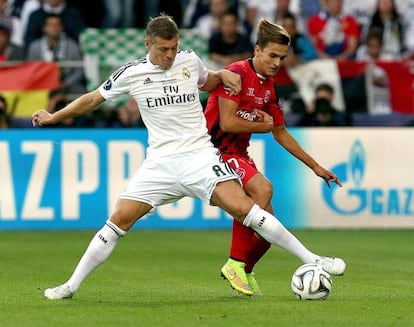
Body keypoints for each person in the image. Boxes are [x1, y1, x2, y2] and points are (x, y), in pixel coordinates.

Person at [32, 14, 346, 300]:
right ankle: (70, 286)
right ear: (148, 45)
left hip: (199, 157)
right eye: (164, 49)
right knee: (118, 221)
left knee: (247, 207)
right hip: (159, 164)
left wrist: (223, 75)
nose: (169, 55)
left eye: (174, 47)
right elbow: (91, 100)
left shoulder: (188, 61)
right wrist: (53, 116)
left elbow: (207, 80)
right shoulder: (132, 73)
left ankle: (312, 259)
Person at [204, 19, 345, 296]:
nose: (278, 62)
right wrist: (263, 126)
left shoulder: (268, 86)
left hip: (238, 154)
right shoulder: (235, 74)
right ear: (257, 50)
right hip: (214, 152)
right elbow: (228, 123)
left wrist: (316, 166)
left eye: (282, 57)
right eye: (272, 55)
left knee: (268, 230)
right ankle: (234, 262)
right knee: (263, 188)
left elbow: (280, 133)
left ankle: (246, 269)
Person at [26, 14, 86, 94]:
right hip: (42, 84)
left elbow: (79, 70)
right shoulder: (35, 47)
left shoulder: (72, 45)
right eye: (50, 25)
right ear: (44, 28)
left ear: (62, 28)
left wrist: (67, 83)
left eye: (57, 25)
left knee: (81, 91)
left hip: (68, 84)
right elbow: (31, 70)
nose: (54, 28)